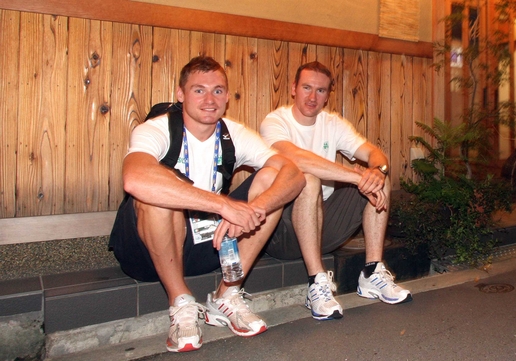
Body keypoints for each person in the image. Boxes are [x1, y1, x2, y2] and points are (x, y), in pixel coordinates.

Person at [109, 56, 305, 353]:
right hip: (148, 251)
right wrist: (224, 206)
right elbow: (134, 180)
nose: (210, 99)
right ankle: (181, 303)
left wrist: (257, 207)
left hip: (209, 244)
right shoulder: (156, 129)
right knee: (160, 192)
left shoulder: (234, 133)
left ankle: (227, 295)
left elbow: (294, 174)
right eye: (199, 90)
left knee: (272, 182)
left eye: (218, 90)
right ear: (180, 94)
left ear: (227, 97)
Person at [260, 61, 412, 321]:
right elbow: (297, 159)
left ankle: (372, 272)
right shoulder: (275, 122)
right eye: (306, 87)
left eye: (320, 90)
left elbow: (374, 153)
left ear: (327, 95)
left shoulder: (332, 123)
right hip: (282, 232)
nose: (312, 96)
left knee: (379, 179)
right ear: (293, 89)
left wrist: (378, 170)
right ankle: (316, 283)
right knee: (308, 180)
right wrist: (356, 175)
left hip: (323, 228)